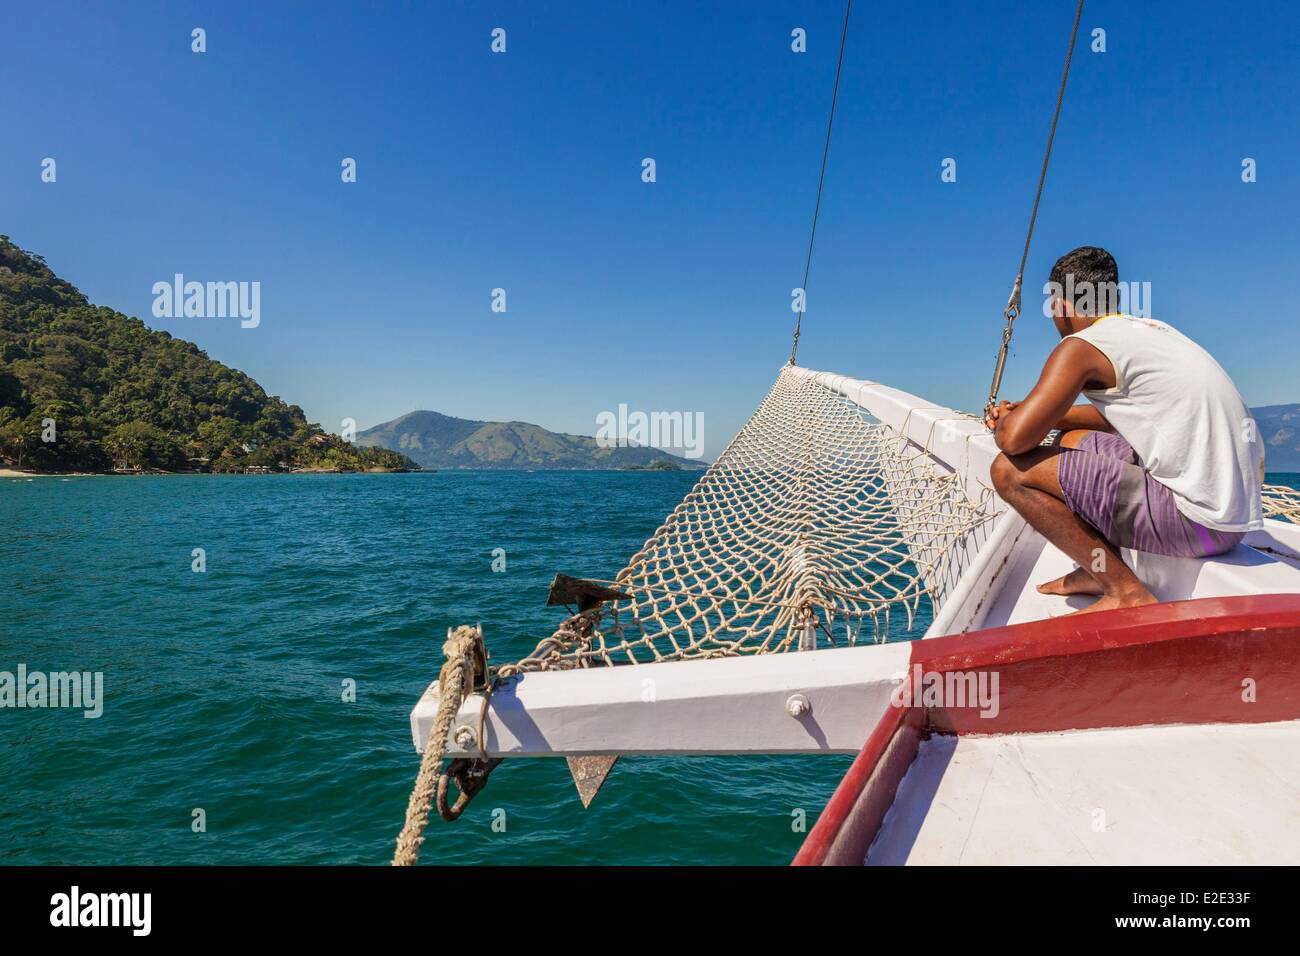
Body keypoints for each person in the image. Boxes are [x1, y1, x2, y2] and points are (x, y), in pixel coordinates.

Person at [985, 246, 1264, 614]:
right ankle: (1094, 569)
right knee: (1071, 441)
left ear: (1062, 304)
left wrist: (1006, 421)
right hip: (1233, 518)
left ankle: (1124, 592)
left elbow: (1014, 440)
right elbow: (1125, 417)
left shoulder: (1081, 347)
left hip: (1201, 524)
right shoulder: (1149, 331)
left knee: (1008, 470)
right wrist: (1038, 414)